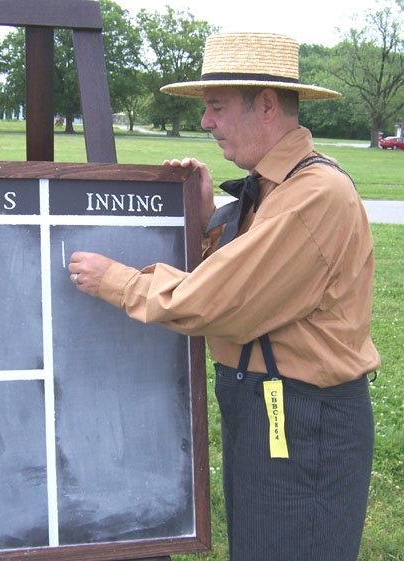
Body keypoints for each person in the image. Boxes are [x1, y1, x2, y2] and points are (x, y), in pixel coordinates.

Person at [68, 32, 380, 561]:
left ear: (265, 106)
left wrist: (115, 280)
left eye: (216, 107)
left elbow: (217, 302)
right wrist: (210, 211)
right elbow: (252, 281)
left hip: (304, 421)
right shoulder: (274, 189)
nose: (206, 122)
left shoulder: (311, 196)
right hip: (272, 408)